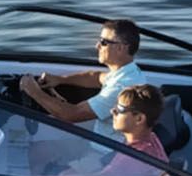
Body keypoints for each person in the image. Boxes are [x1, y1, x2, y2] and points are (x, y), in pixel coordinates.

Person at [19, 18, 148, 138]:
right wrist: (60, 79)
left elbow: (71, 114)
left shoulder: (121, 86)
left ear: (121, 47)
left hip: (105, 154)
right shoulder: (129, 72)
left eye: (103, 42)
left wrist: (33, 91)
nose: (97, 46)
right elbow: (96, 77)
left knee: (37, 151)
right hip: (103, 145)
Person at [51, 84, 170, 176]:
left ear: (139, 119)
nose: (112, 111)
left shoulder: (139, 156)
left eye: (120, 109)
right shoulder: (149, 139)